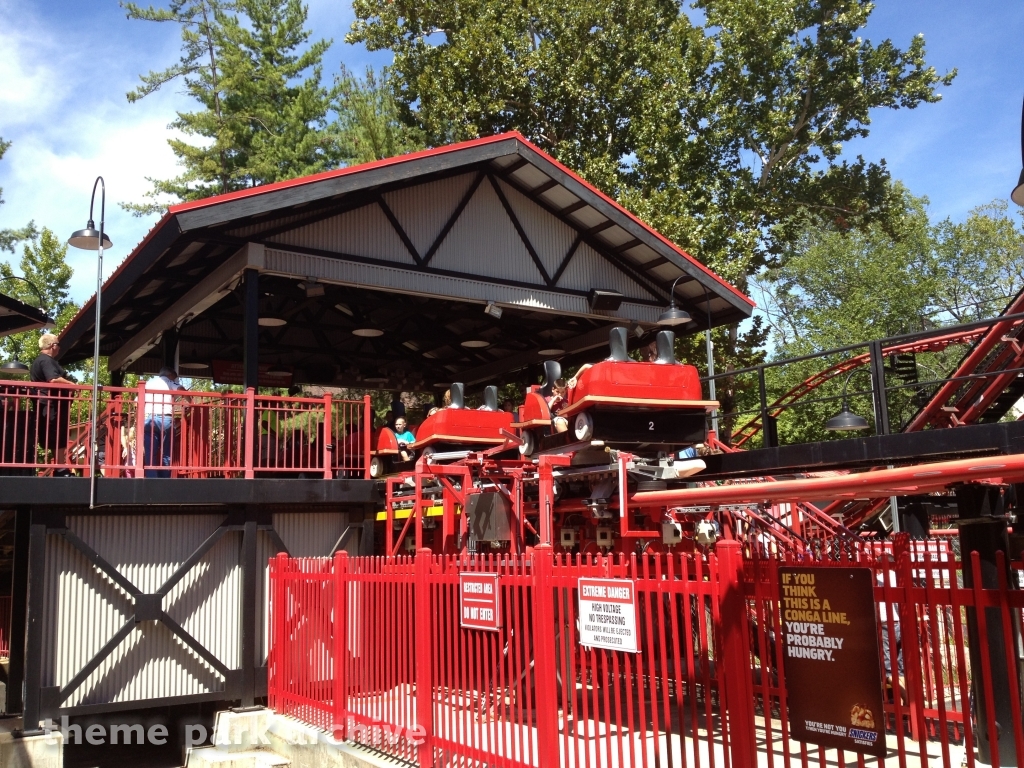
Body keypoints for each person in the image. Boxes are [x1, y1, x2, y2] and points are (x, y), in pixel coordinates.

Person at [30, 333, 75, 475]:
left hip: (53, 404)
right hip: (50, 404)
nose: (59, 348)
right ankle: (60, 467)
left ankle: (61, 466)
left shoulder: (44, 361)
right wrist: (73, 385)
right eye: (58, 344)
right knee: (56, 434)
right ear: (51, 345)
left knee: (59, 435)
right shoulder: (46, 361)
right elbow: (53, 379)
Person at [142, 367, 183, 478]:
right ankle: (164, 479)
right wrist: (191, 402)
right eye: (174, 378)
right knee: (167, 452)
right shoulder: (168, 382)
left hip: (149, 419)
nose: (174, 381)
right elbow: (181, 389)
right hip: (165, 419)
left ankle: (152, 478)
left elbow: (138, 401)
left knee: (150, 452)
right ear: (169, 375)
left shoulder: (148, 383)